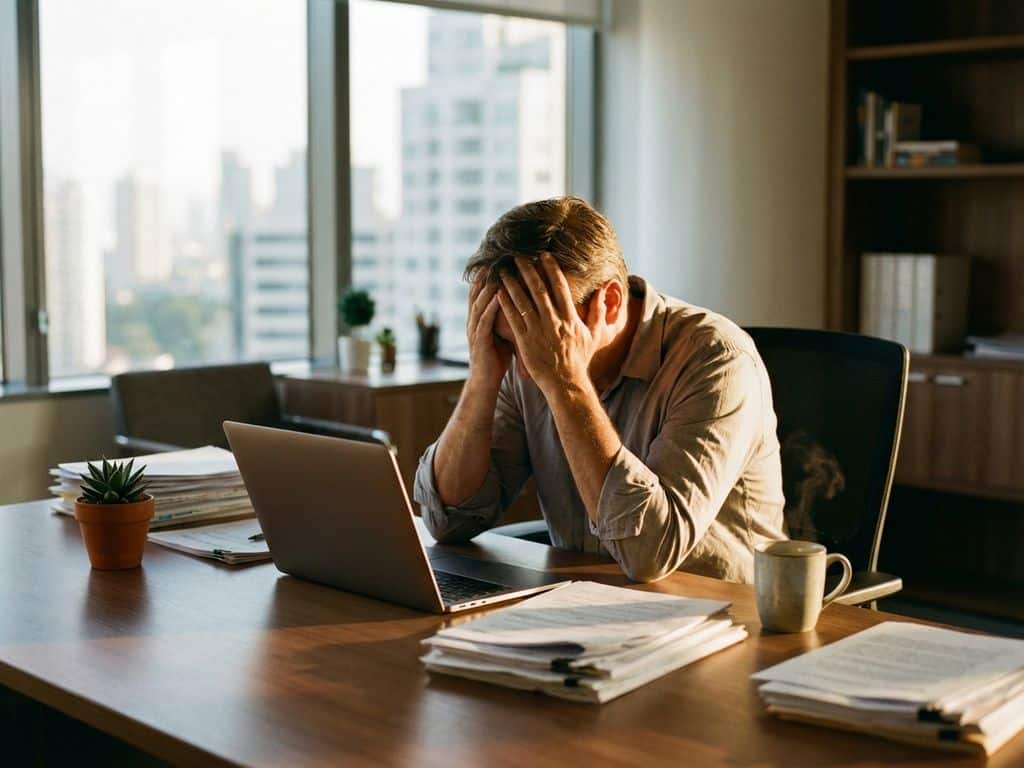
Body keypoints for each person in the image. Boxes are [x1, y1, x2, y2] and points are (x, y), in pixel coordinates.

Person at [413, 196, 786, 583]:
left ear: (609, 303)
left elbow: (649, 554)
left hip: (720, 616)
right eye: (510, 341)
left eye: (535, 338)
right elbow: (447, 521)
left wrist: (565, 381)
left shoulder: (718, 360)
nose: (523, 367)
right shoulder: (521, 358)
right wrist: (482, 379)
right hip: (581, 605)